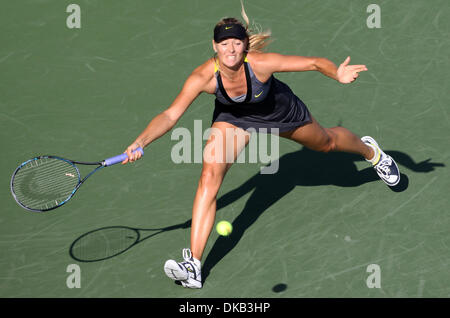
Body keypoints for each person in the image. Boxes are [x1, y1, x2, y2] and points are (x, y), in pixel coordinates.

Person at [121, 6, 400, 289]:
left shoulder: (260, 63)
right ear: (214, 46)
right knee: (209, 176)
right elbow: (170, 115)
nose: (230, 49)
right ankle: (193, 264)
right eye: (224, 43)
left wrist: (337, 73)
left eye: (237, 42)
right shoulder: (203, 76)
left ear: (244, 46)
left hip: (280, 113)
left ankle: (372, 153)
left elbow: (314, 62)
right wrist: (140, 142)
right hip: (235, 118)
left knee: (326, 144)